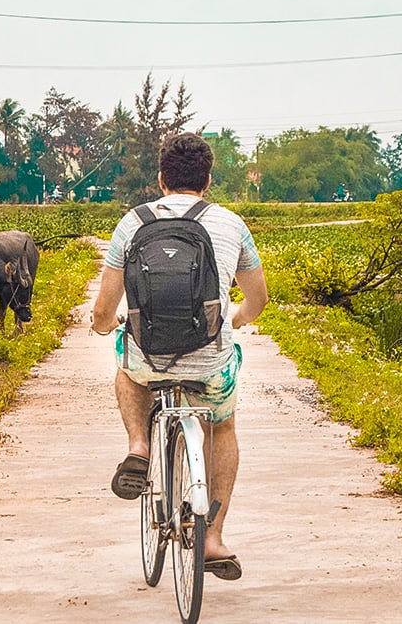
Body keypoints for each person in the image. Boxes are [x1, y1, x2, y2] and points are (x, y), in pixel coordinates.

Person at [91, 132, 268, 583]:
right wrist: (240, 318)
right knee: (222, 426)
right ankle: (213, 540)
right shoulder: (232, 224)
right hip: (210, 360)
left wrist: (102, 325)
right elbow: (257, 299)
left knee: (127, 368)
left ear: (161, 179)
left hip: (148, 357)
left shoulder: (133, 222)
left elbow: (104, 307)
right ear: (207, 180)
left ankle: (138, 445)